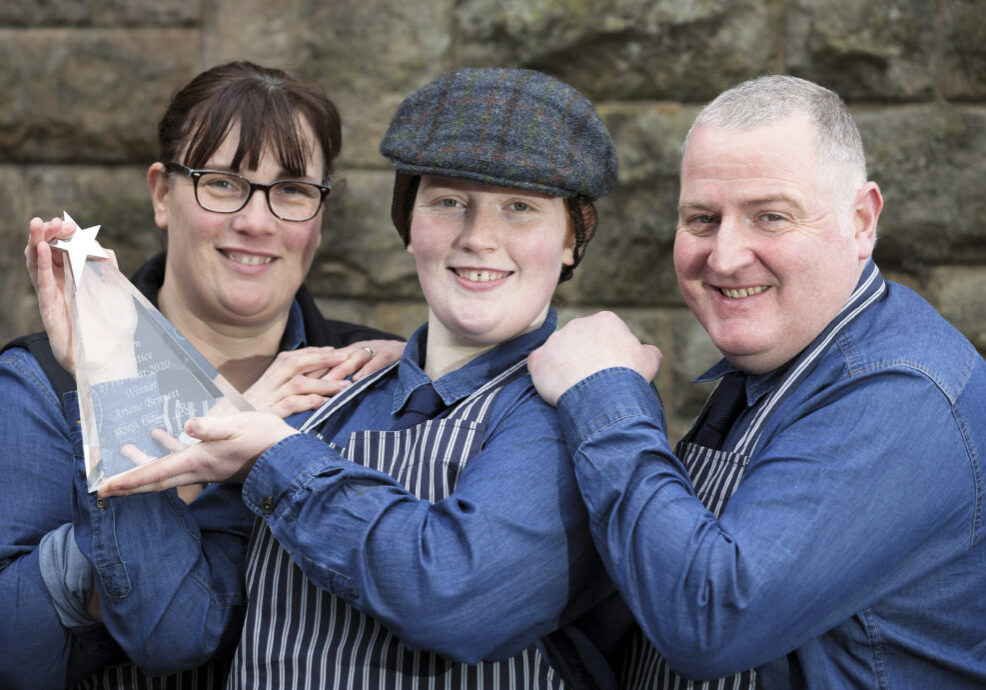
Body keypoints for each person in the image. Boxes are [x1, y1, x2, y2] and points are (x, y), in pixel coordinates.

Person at [89, 67, 633, 688]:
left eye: (521, 208)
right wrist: (114, 364)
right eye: (449, 202)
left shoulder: (580, 419)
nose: (480, 238)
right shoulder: (325, 392)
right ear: (409, 225)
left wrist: (275, 456)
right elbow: (168, 631)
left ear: (573, 238)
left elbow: (457, 601)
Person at [526, 74, 986, 688]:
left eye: (770, 217)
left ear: (861, 220)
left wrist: (606, 398)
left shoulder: (900, 393)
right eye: (702, 218)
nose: (724, 256)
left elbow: (711, 619)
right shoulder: (781, 363)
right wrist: (434, 366)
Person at [4, 61, 403, 688]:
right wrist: (201, 440)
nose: (257, 221)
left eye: (293, 190)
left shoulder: (375, 382)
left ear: (320, 217)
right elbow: (12, 646)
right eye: (223, 183)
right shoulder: (40, 385)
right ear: (163, 195)